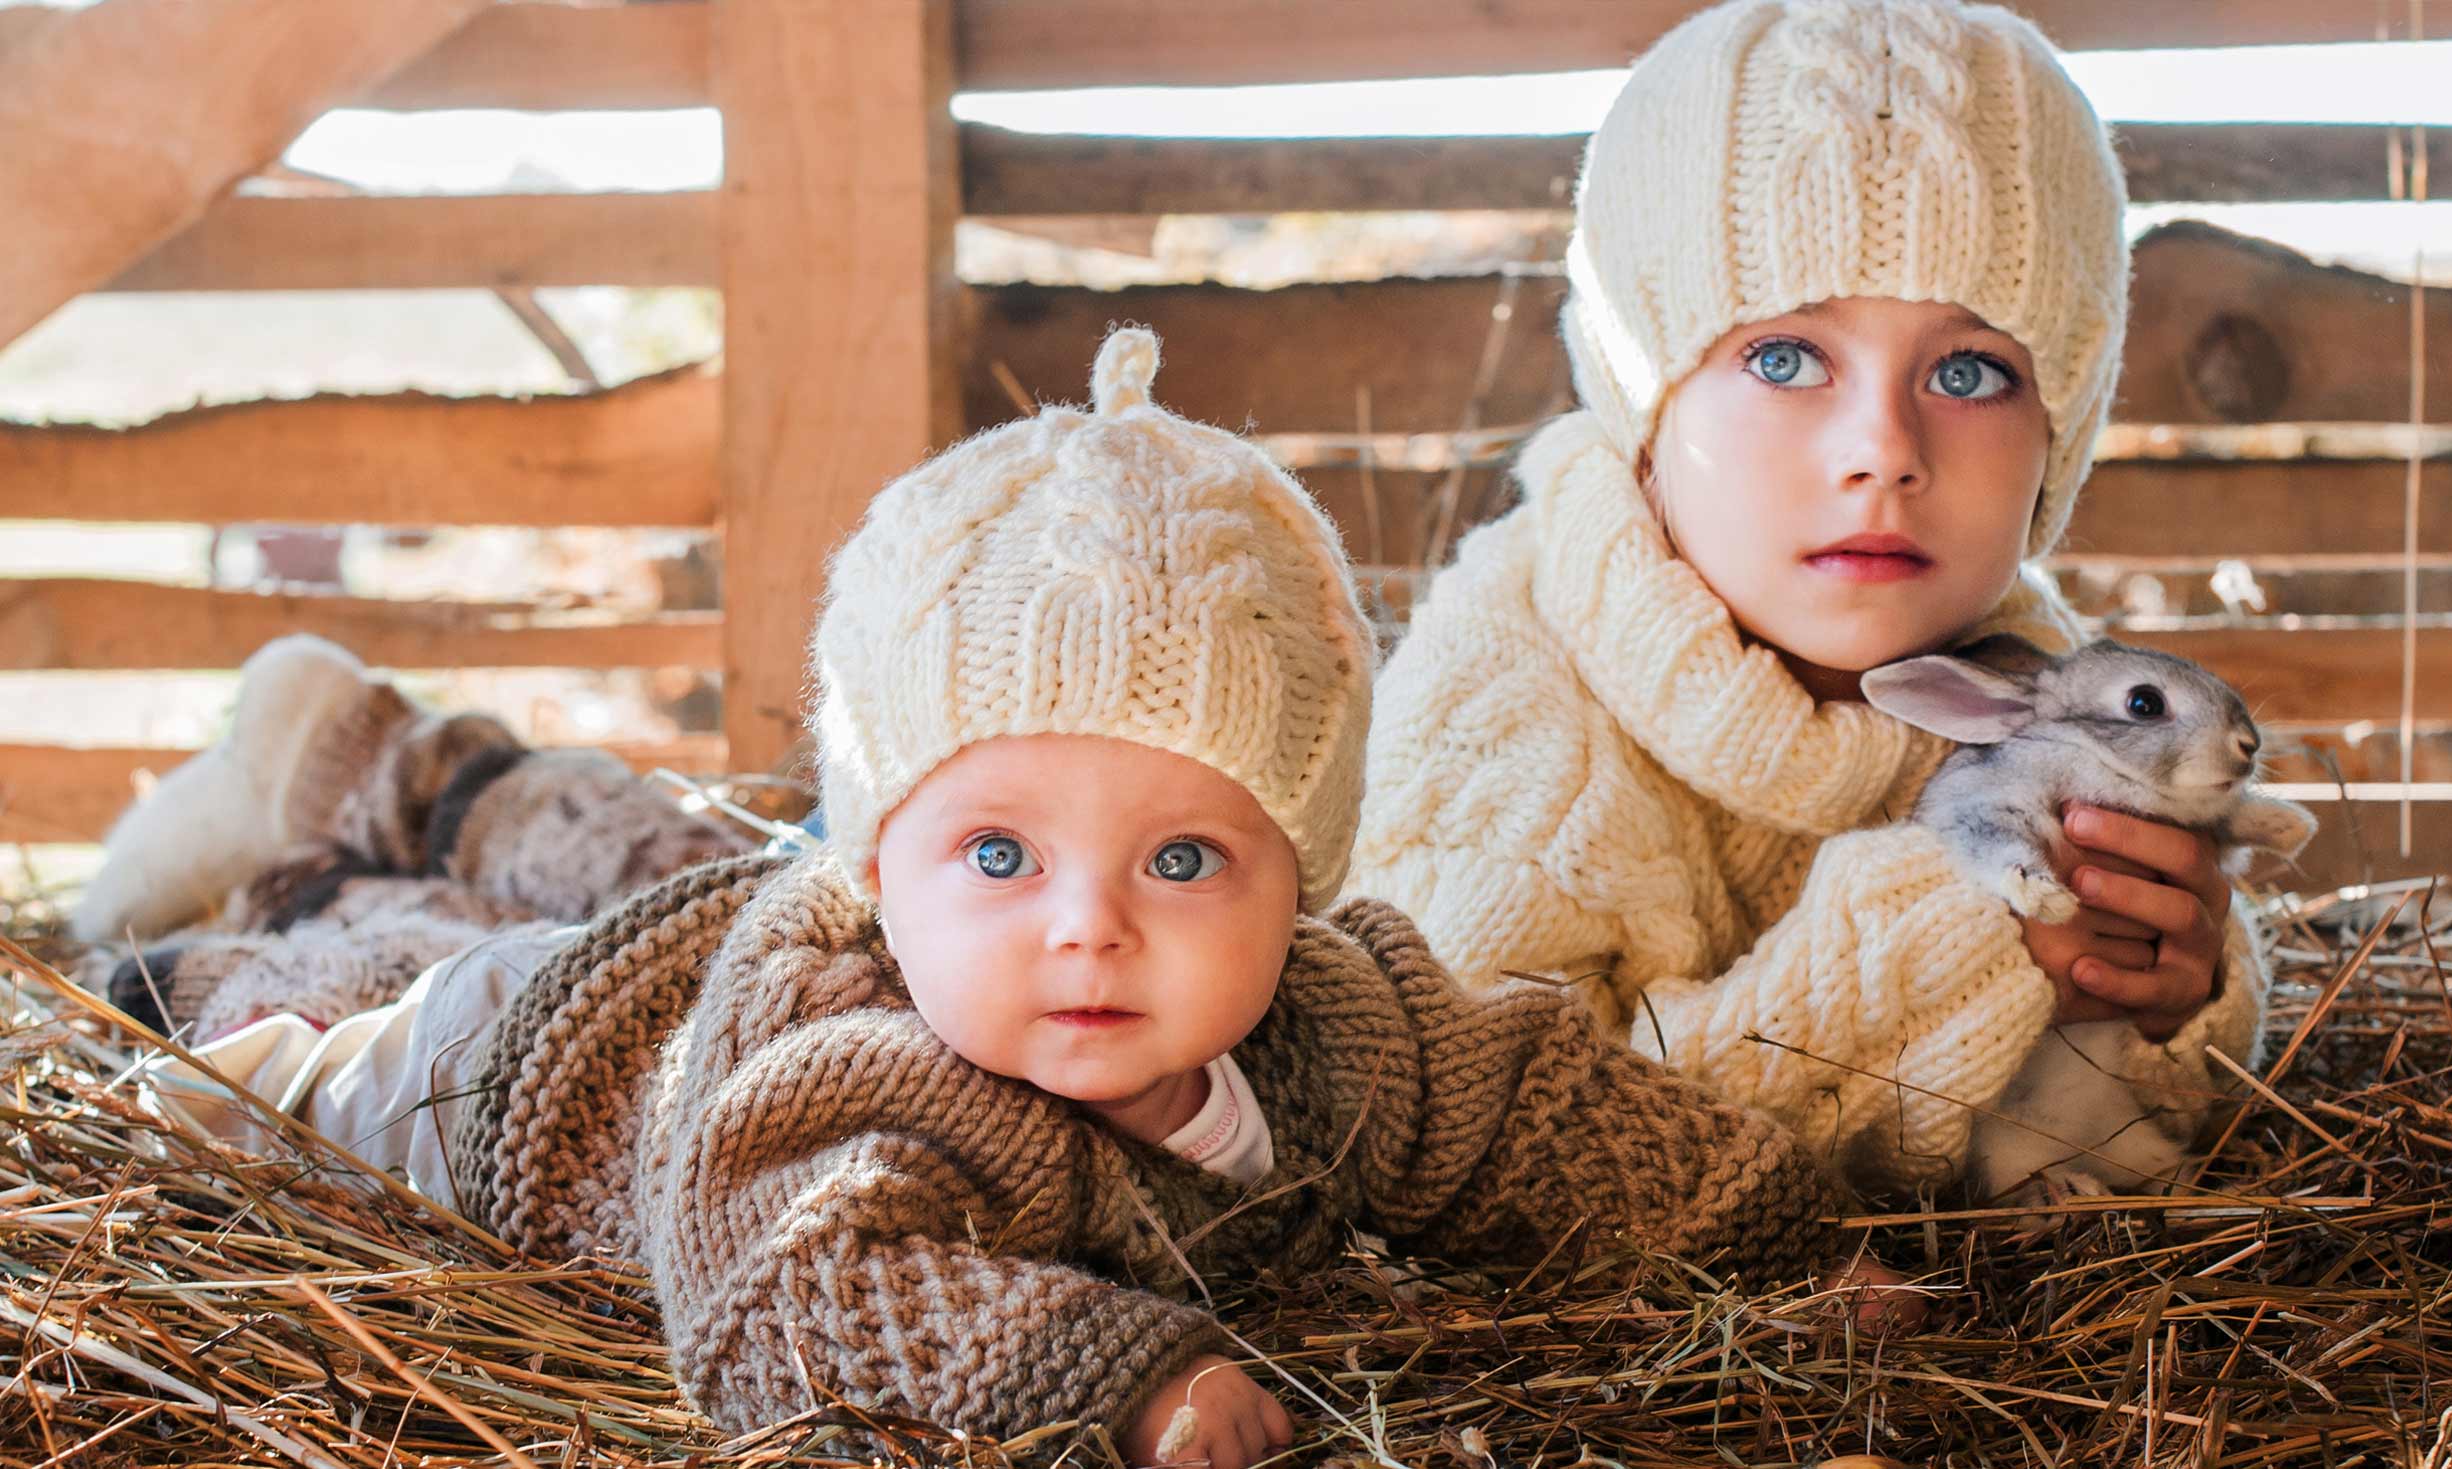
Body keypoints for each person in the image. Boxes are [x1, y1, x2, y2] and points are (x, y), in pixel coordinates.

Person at [102, 330, 1852, 1466]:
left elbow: (1524, 1106)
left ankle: (351, 784)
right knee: (340, 1026)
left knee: (618, 865)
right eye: (1002, 853)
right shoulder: (861, 1088)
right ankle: (207, 966)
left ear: (1301, 877)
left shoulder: (1341, 1028)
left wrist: (1786, 1242)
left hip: (726, 937)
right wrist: (1132, 1378)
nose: (1089, 925)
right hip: (522, 1077)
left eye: (1183, 859)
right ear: (880, 864)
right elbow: (802, 1298)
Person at [1350, 0, 2275, 1191]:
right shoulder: (1498, 727)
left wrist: (2180, 993)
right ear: (1644, 405)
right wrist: (1952, 947)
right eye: (1783, 358)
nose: (1881, 450)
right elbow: (1480, 1152)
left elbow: (2163, 1075)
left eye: (1968, 371)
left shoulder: (2040, 677)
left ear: (2059, 434)